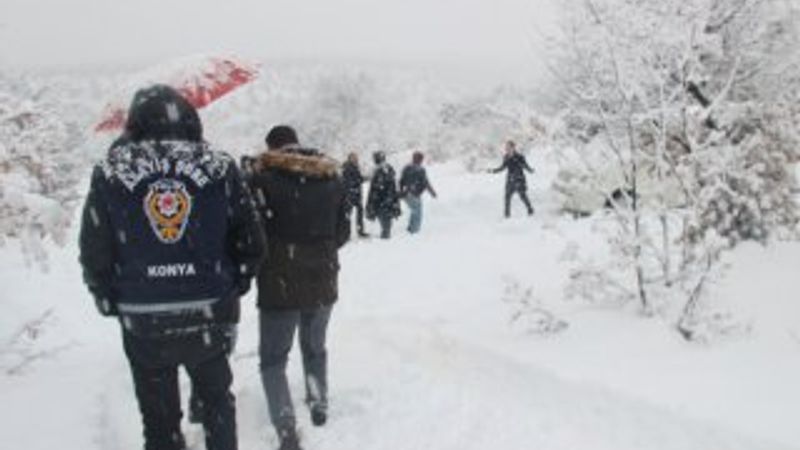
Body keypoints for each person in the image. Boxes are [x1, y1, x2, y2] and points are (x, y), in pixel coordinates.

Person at [78, 85, 266, 450]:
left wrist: (105, 294)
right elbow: (252, 240)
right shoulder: (219, 167)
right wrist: (235, 282)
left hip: (143, 315)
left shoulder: (111, 171)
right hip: (208, 308)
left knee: (159, 419)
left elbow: (94, 246)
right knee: (216, 405)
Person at [248, 125, 350, 450]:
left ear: (271, 147)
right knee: (315, 347)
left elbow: (253, 236)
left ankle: (286, 426)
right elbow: (342, 232)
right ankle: (318, 403)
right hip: (322, 278)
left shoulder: (261, 180)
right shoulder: (330, 178)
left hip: (280, 282)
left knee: (273, 359)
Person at [489, 140, 535, 217]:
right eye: (506, 147)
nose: (507, 149)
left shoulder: (520, 157)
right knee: (507, 198)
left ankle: (530, 209)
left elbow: (525, 166)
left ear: (513, 147)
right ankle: (507, 215)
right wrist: (493, 171)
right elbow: (502, 167)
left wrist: (530, 170)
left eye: (509, 147)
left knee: (523, 196)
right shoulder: (506, 157)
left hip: (519, 180)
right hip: (510, 180)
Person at [399, 151, 437, 233]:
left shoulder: (406, 168)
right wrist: (432, 193)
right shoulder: (420, 170)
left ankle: (411, 228)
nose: (421, 161)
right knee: (417, 212)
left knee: (414, 210)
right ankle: (414, 230)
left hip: (406, 193)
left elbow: (401, 181)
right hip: (414, 194)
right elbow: (425, 183)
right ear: (420, 159)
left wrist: (401, 192)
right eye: (421, 159)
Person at [366, 151, 401, 239]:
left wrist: (387, 198)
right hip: (383, 200)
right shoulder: (381, 169)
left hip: (383, 200)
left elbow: (386, 185)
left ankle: (385, 242)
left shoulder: (384, 169)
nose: (374, 160)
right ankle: (385, 239)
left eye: (375, 158)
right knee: (385, 221)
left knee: (385, 222)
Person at [341, 152, 369, 238]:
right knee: (347, 215)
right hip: (350, 194)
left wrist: (363, 178)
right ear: (350, 158)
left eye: (356, 158)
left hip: (356, 194)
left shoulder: (355, 167)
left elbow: (358, 178)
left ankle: (360, 230)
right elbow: (349, 181)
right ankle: (346, 233)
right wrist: (359, 180)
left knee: (359, 213)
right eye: (354, 158)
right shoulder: (348, 168)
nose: (356, 159)